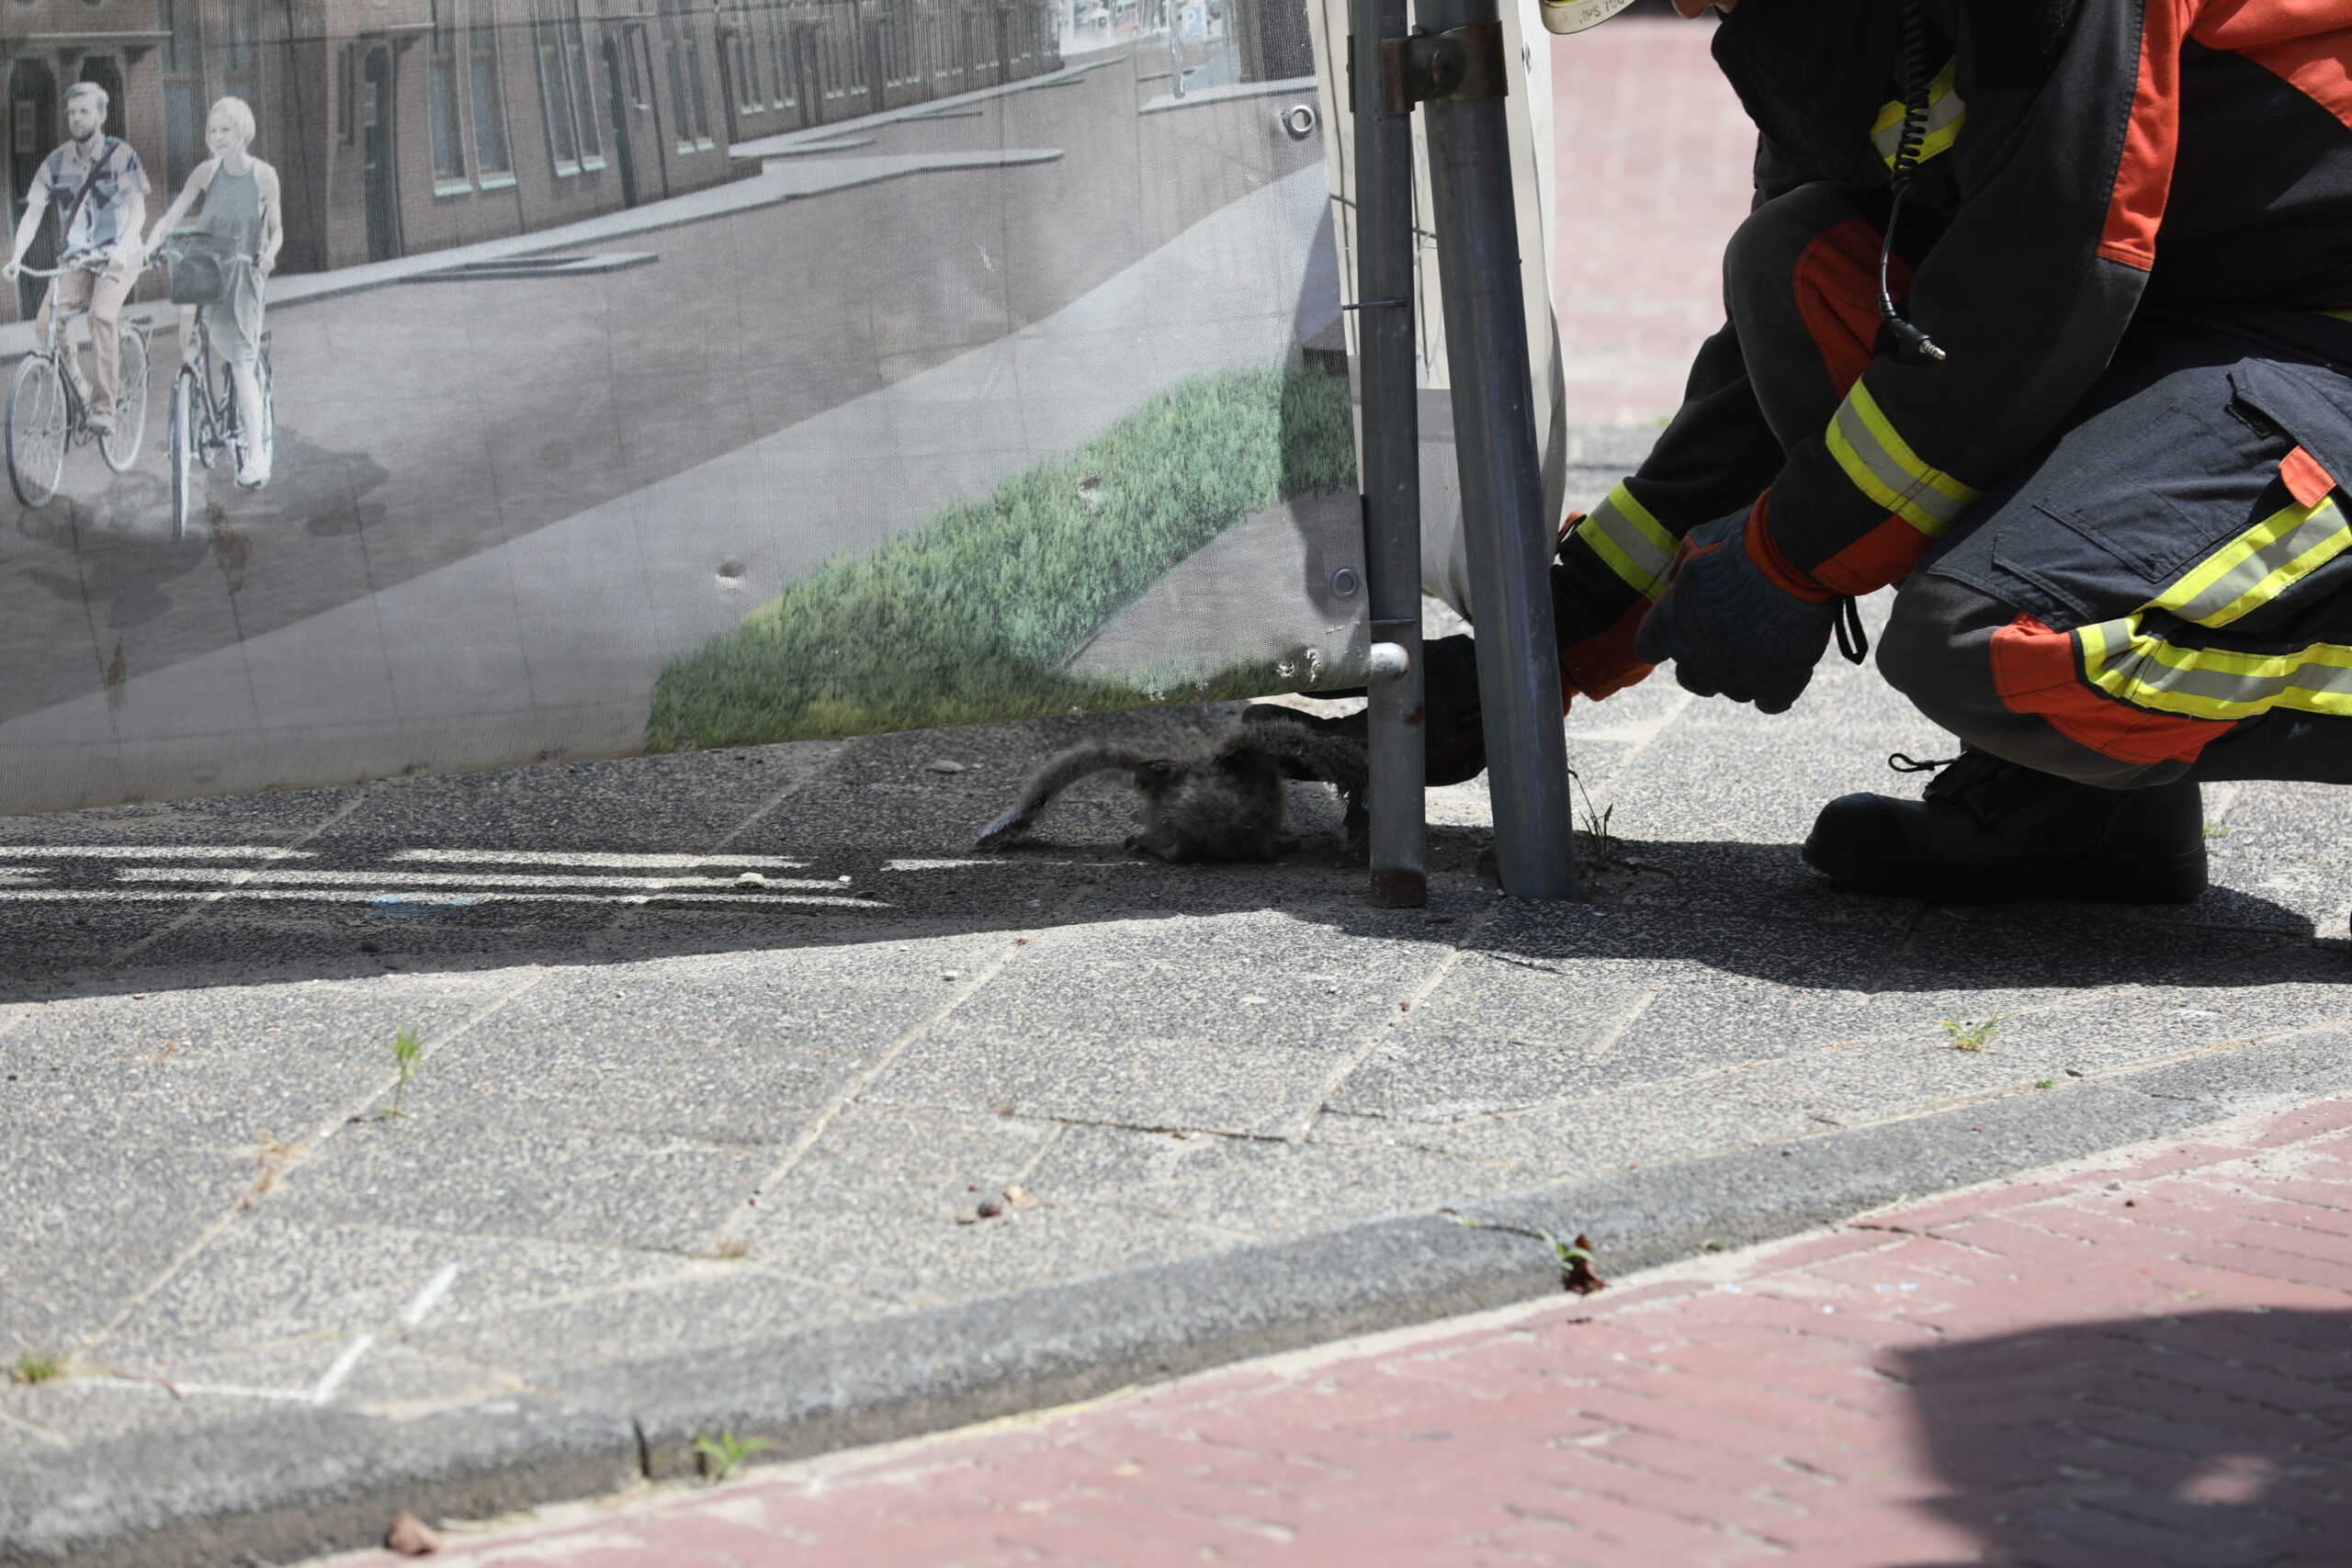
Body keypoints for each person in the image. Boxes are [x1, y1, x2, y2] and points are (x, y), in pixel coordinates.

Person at [1404, 0, 2352, 908]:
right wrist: (1540, 655)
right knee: (1799, 266)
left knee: (2005, 645)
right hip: (2194, 310)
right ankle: (2087, 809)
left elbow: (2043, 278)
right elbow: (1803, 373)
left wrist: (1788, 556)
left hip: (2316, 331)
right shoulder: (1809, 25)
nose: (1692, 12)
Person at [144, 96, 280, 488]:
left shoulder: (263, 176)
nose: (218, 137)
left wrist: (269, 254)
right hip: (206, 260)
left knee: (240, 363)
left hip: (243, 269)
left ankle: (256, 458)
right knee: (187, 339)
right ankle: (193, 409)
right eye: (213, 130)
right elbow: (171, 216)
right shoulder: (205, 172)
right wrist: (147, 248)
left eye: (226, 129)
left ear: (243, 131)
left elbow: (277, 228)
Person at [3, 82, 150, 438]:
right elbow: (33, 213)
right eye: (71, 112)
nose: (76, 118)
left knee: (101, 315)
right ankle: (81, 390)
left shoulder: (121, 155)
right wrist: (16, 256)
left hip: (119, 254)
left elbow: (138, 211)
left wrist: (121, 248)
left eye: (84, 111)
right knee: (46, 323)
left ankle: (104, 409)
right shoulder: (55, 161)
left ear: (102, 114)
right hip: (78, 258)